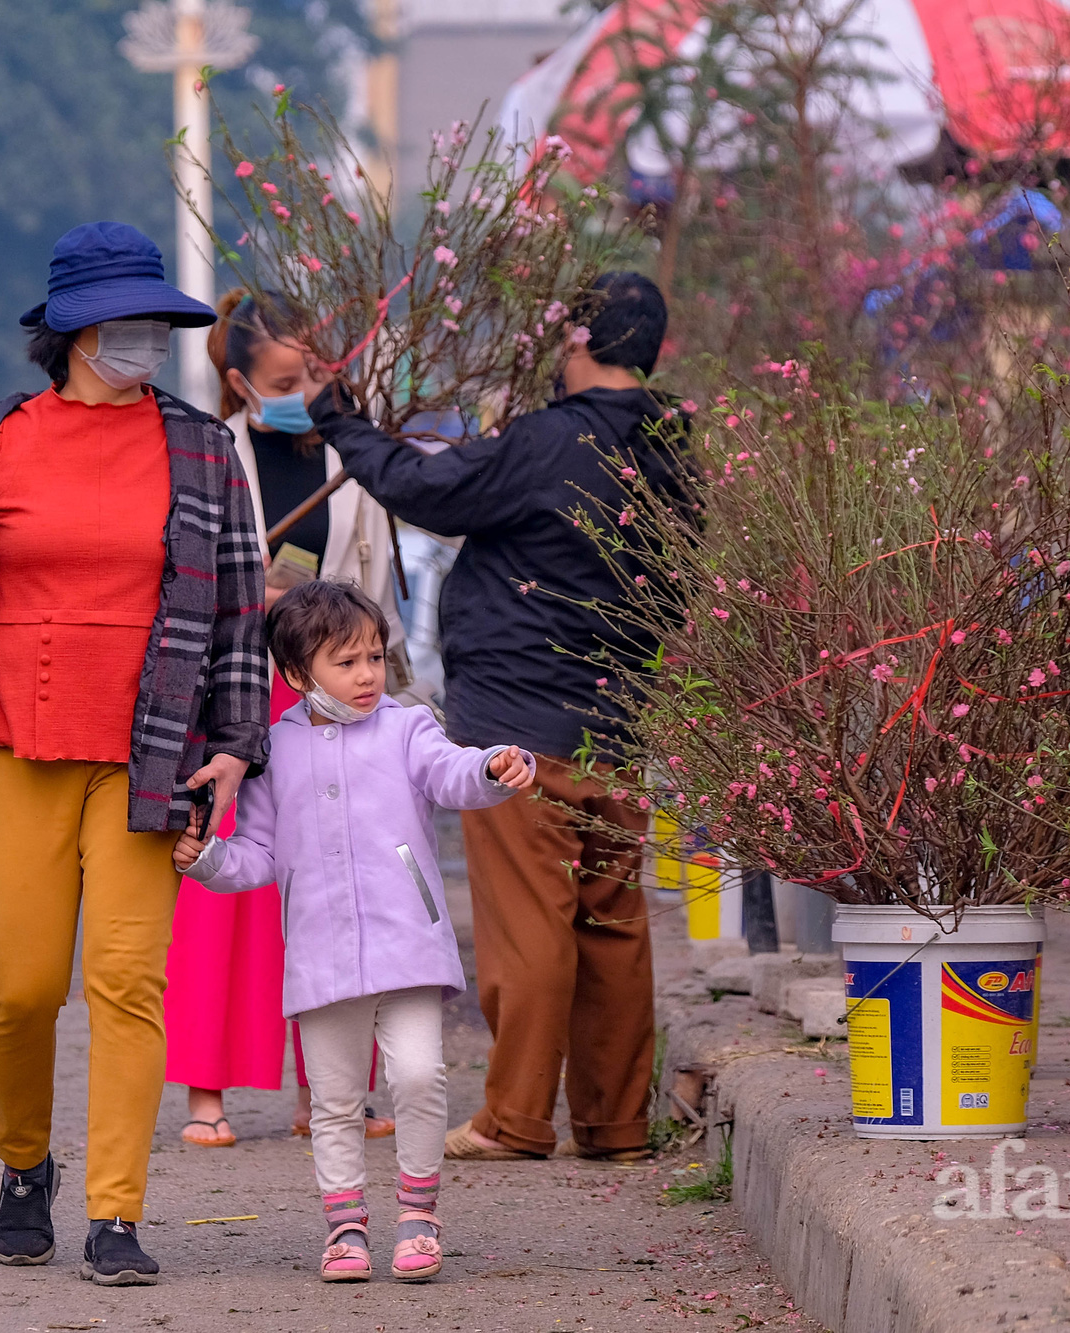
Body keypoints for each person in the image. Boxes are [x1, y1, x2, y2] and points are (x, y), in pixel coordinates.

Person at [0, 221, 268, 1286]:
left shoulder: (202, 449)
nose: (144, 338)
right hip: (15, 745)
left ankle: (114, 1213)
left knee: (126, 981)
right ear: (69, 331)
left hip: (151, 756)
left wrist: (236, 747)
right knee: (23, 987)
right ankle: (22, 1165)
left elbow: (237, 612)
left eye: (154, 320)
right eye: (124, 321)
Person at [306, 272, 687, 1163]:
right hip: (620, 718)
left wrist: (342, 418)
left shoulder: (552, 441)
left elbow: (426, 488)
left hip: (520, 715)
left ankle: (515, 1118)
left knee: (530, 925)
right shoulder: (674, 448)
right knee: (610, 921)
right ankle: (615, 1122)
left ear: (581, 340)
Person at [173, 580, 533, 1282]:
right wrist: (208, 859)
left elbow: (453, 772)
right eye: (347, 661)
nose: (368, 673)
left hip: (409, 942)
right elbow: (259, 855)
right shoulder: (272, 751)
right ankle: (344, 1227)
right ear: (298, 672)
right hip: (320, 949)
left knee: (420, 1075)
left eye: (375, 655)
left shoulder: (406, 725)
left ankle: (419, 1215)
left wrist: (490, 766)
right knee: (334, 1100)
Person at [163, 288, 407, 1148]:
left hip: (328, 698)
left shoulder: (353, 454)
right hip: (232, 690)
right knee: (221, 891)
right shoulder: (203, 455)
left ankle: (331, 1091)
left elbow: (376, 582)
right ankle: (206, 1090)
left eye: (314, 371)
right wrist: (249, 593)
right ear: (239, 379)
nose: (304, 386)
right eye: (284, 377)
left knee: (337, 883)